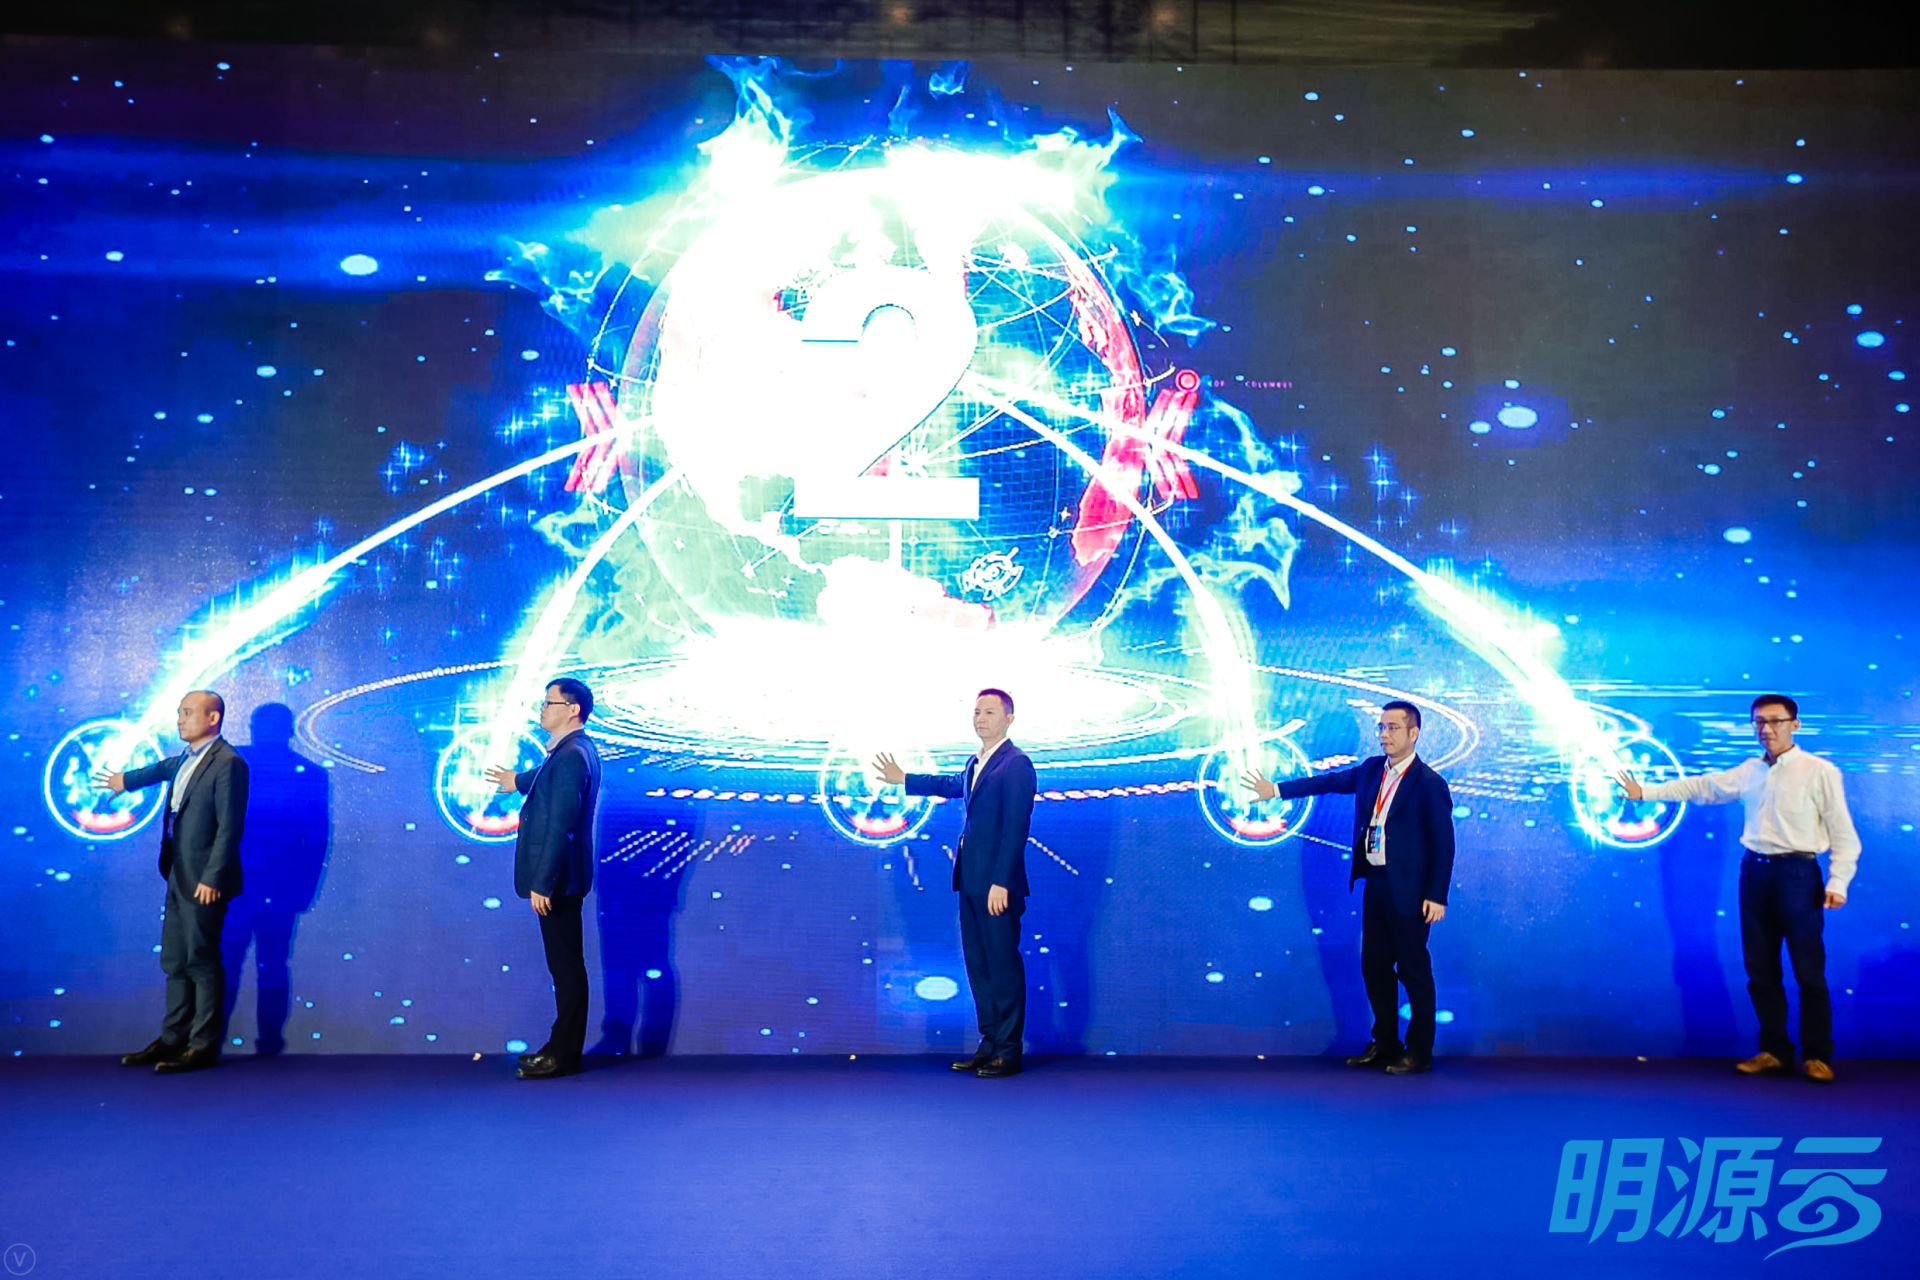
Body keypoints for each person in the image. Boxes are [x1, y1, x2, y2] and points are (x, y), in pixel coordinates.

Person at [1617, 693, 1860, 1083]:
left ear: (1795, 725)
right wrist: (1645, 792)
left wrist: (1838, 882)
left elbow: (1844, 834)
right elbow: (1704, 787)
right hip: (1755, 874)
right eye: (1759, 722)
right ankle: (1774, 1050)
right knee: (1760, 969)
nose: (1767, 729)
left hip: (1798, 875)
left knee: (1808, 970)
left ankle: (1817, 1055)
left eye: (1775, 721)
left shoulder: (1820, 772)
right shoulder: (1750, 771)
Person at [1244, 701, 1455, 1074]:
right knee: (1374, 967)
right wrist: (1275, 790)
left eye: (1393, 728)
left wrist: (1437, 895)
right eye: (1381, 728)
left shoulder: (1429, 784)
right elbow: (1328, 782)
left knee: (1413, 970)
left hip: (1411, 893)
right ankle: (1385, 1043)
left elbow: (1444, 844)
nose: (1384, 735)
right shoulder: (1372, 770)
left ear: (1414, 733)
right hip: (1377, 884)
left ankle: (1419, 1051)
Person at [874, 689, 1037, 1078]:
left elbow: (1016, 827)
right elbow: (951, 784)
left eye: (990, 712)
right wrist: (905, 778)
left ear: (1009, 719)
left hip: (996, 885)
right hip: (970, 879)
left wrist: (1001, 882)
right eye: (977, 711)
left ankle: (1008, 1051)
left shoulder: (1016, 764)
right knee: (979, 964)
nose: (980, 718)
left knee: (1002, 965)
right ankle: (989, 1044)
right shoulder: (977, 761)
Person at [98, 690, 251, 1074]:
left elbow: (229, 828)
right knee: (174, 959)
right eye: (179, 712)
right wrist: (124, 781)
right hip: (177, 873)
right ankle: (172, 1038)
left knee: (201, 960)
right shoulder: (186, 757)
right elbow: (160, 769)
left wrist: (213, 877)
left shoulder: (229, 763)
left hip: (204, 881)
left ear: (213, 718)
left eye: (187, 712)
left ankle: (201, 1046)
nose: (180, 719)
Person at [486, 677, 603, 1080]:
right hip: (564, 879)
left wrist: (544, 882)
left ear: (572, 710)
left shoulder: (571, 756)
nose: (542, 708)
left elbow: (561, 825)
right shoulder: (574, 750)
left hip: (559, 882)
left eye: (549, 702)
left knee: (566, 968)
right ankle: (561, 1049)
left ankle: (562, 1055)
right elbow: (549, 778)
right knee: (565, 966)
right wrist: (517, 780)